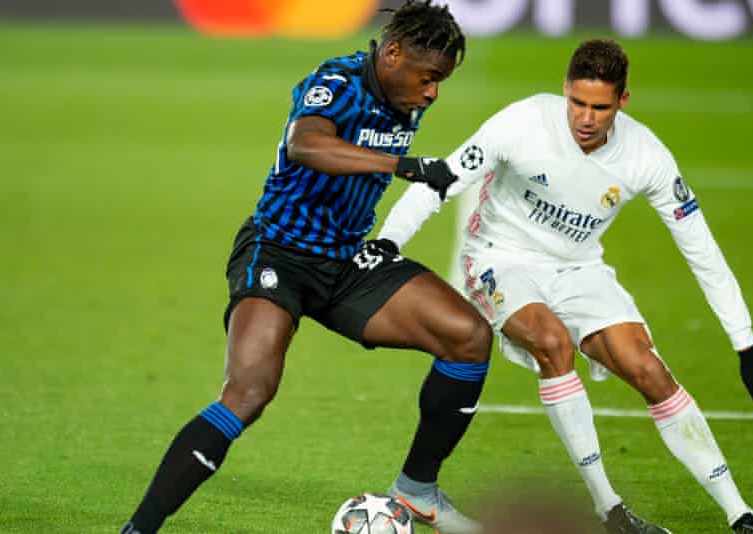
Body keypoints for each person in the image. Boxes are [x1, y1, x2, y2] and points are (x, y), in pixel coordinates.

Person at [377, 38, 753, 534]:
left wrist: (746, 344)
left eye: (600, 107)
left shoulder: (646, 156)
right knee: (552, 342)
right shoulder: (523, 122)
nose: (586, 118)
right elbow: (440, 180)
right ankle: (609, 508)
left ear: (623, 102)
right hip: (500, 258)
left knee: (648, 369)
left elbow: (701, 249)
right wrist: (387, 242)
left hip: (579, 268)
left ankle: (739, 513)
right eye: (577, 102)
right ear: (565, 91)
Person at [120, 3, 491, 533]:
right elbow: (306, 145)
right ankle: (137, 530)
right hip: (279, 253)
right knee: (248, 393)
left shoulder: (405, 96)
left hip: (345, 261)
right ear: (391, 54)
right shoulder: (335, 81)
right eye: (429, 77)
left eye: (441, 82)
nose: (433, 92)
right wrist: (402, 165)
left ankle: (417, 491)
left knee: (469, 336)